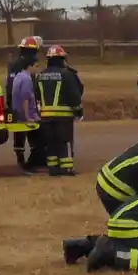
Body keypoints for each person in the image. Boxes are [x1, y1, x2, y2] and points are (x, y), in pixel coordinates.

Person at [35, 45, 85, 176]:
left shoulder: (40, 75)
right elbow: (74, 95)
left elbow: (36, 95)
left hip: (45, 116)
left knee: (50, 143)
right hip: (63, 116)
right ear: (62, 59)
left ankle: (53, 168)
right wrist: (79, 111)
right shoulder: (67, 74)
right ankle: (66, 168)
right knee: (65, 142)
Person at [6, 36, 45, 171]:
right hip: (22, 105)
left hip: (20, 104)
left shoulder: (18, 64)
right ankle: (24, 160)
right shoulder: (21, 65)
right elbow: (20, 89)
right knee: (24, 132)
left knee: (27, 131)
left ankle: (33, 158)